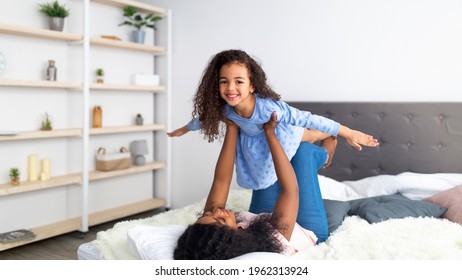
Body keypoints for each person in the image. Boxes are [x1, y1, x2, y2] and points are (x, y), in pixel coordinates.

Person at [167, 49, 379, 192]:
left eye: (238, 81)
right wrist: (183, 130)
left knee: (309, 134)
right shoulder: (225, 109)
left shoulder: (268, 108)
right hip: (254, 142)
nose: (230, 88)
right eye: (224, 82)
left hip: (281, 132)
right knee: (257, 180)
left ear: (252, 85)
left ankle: (328, 135)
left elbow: (306, 117)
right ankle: (322, 135)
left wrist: (349, 132)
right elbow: (202, 120)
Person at [174, 113, 322, 259]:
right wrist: (270, 134)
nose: (217, 212)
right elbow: (290, 190)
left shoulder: (209, 226)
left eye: (207, 215)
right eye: (221, 220)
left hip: (262, 219)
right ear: (232, 239)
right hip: (305, 227)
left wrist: (231, 127)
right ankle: (328, 145)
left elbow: (221, 181)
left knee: (263, 155)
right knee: (303, 152)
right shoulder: (272, 244)